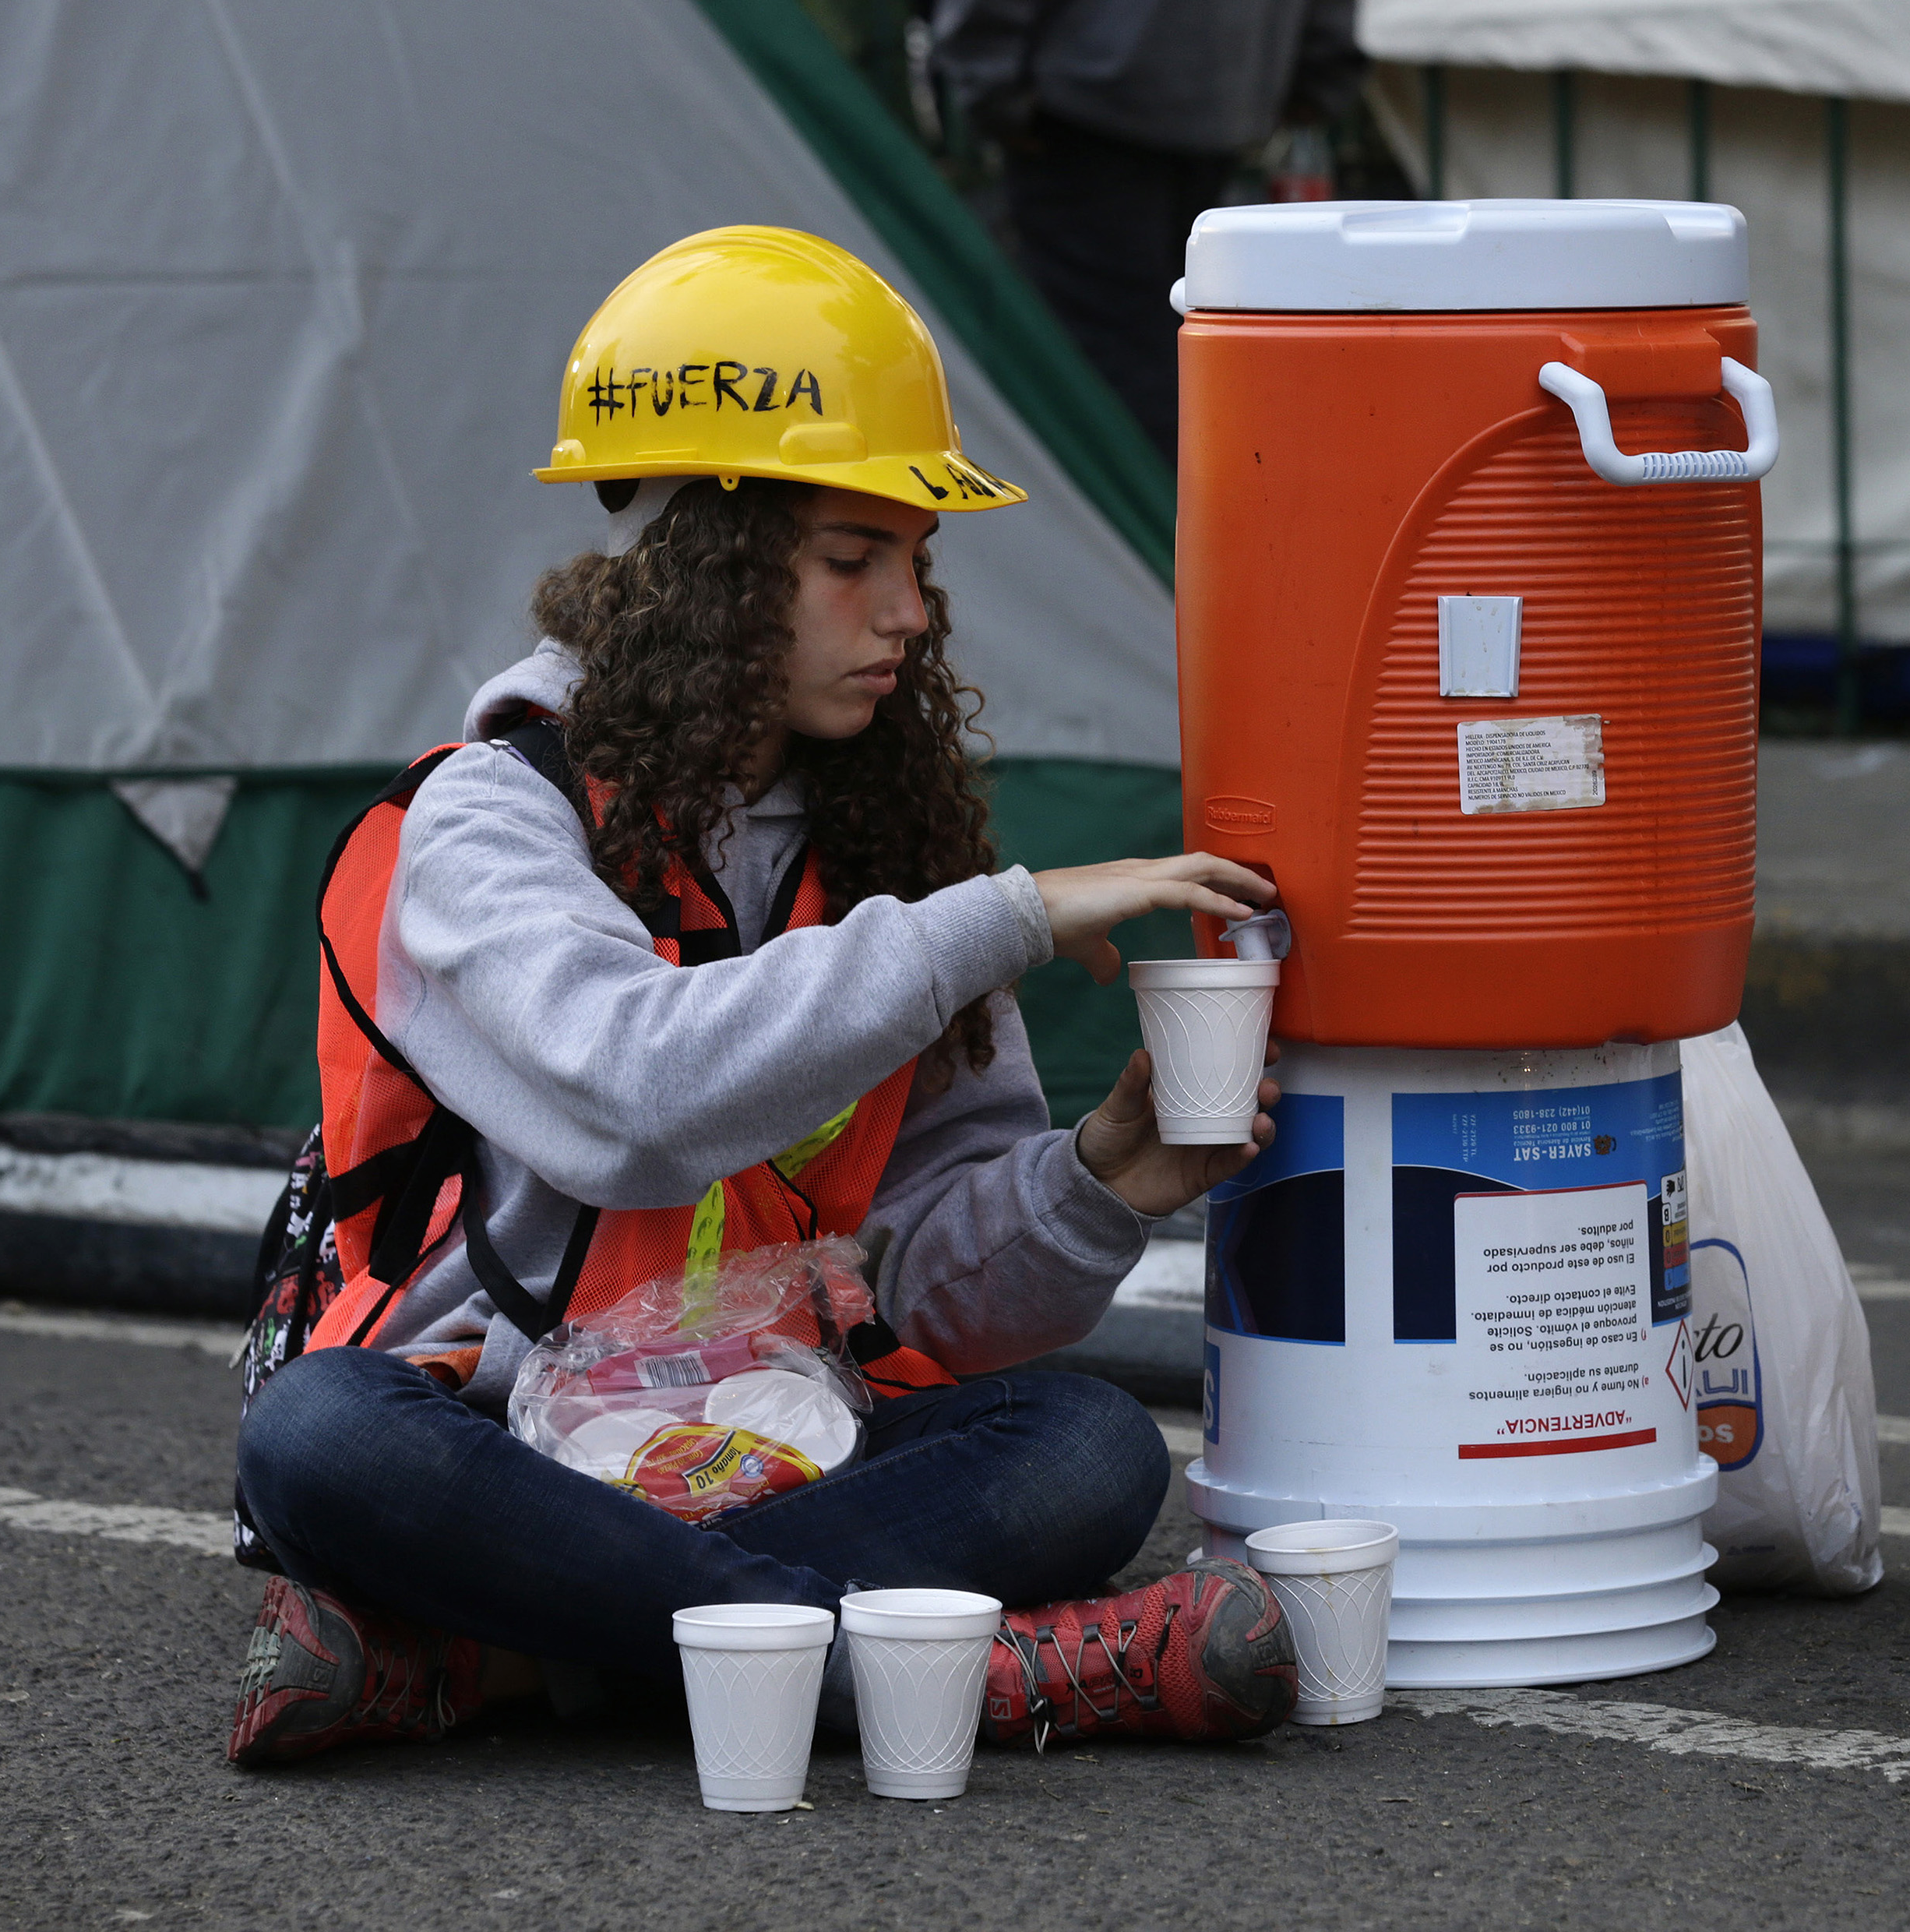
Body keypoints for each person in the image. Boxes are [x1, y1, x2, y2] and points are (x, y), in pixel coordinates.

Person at [228, 226, 1291, 1766]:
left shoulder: (886, 842)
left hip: (780, 1440)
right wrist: (1003, 916)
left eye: (917, 565)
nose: (910, 615)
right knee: (315, 1440)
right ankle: (967, 1675)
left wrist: (1099, 1183)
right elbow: (635, 1100)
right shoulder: (485, 815)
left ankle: (498, 1663)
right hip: (491, 1438)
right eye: (851, 561)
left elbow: (924, 1286)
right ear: (699, 576)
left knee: (1089, 1447)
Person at [932, 0, 1365, 460]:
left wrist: (990, 88)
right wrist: (1316, 80)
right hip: (1216, 105)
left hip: (1085, 113)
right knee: (1170, 337)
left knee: (1113, 359)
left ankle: (1163, 511)